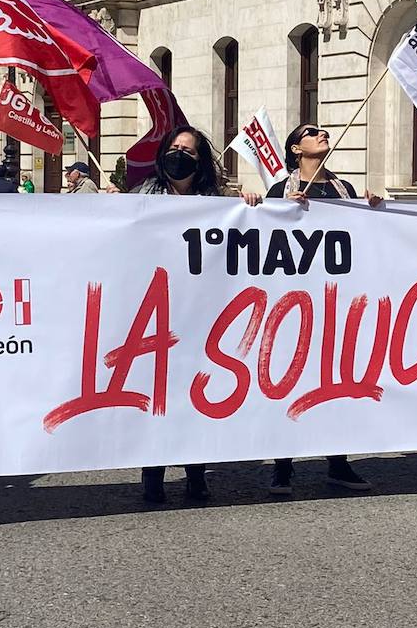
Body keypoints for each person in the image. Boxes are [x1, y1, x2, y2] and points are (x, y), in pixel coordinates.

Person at [134, 126, 261, 503]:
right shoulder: (143, 196)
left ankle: (196, 471)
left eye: (187, 150)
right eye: (174, 148)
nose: (179, 154)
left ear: (199, 160)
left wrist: (249, 203)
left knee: (195, 392)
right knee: (157, 394)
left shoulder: (216, 201)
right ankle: (153, 473)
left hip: (201, 314)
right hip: (155, 311)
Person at [265, 122, 382, 495]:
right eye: (312, 132)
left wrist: (373, 209)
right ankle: (283, 466)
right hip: (292, 301)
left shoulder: (342, 189)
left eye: (323, 132)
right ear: (296, 149)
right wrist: (275, 208)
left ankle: (338, 462)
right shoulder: (279, 189)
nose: (323, 135)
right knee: (288, 380)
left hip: (336, 301)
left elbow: (360, 236)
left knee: (334, 380)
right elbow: (262, 237)